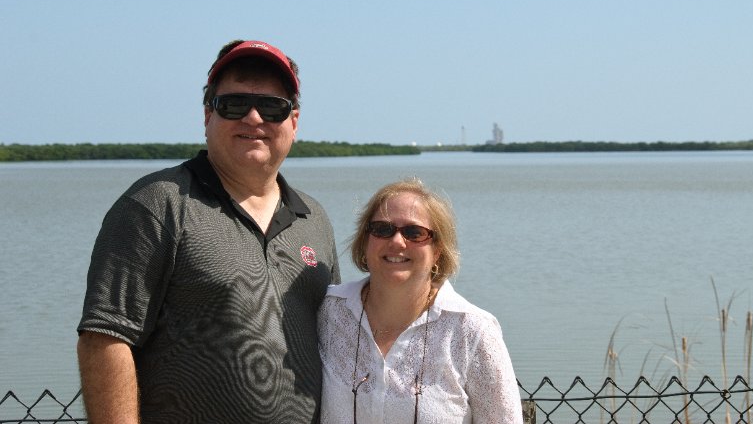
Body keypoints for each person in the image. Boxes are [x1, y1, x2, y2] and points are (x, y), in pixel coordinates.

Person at [77, 39, 340, 423]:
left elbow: (336, 339)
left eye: (272, 107)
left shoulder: (313, 218)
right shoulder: (156, 204)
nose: (253, 118)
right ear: (207, 116)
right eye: (233, 104)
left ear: (293, 123)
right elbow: (104, 339)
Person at [317, 178, 523, 423]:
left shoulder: (472, 331)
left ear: (437, 251)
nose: (396, 242)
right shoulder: (328, 311)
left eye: (414, 233)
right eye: (382, 229)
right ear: (365, 242)